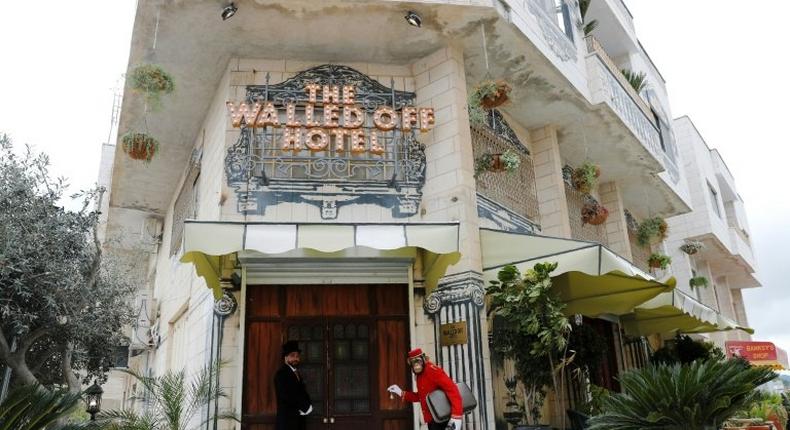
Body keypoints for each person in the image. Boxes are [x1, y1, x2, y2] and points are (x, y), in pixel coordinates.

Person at [387, 348, 463, 430]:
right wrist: (401, 392)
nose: (416, 365)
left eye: (418, 361)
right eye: (413, 362)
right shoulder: (419, 375)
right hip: (432, 418)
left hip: (443, 417)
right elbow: (421, 396)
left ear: (423, 360)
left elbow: (452, 389)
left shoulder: (432, 370)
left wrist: (456, 417)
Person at [274, 340, 312, 430]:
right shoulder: (281, 374)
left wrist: (309, 405)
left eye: (297, 356)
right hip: (287, 421)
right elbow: (286, 396)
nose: (296, 358)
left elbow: (301, 391)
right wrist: (305, 407)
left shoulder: (296, 372)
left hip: (298, 420)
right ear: (285, 357)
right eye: (292, 356)